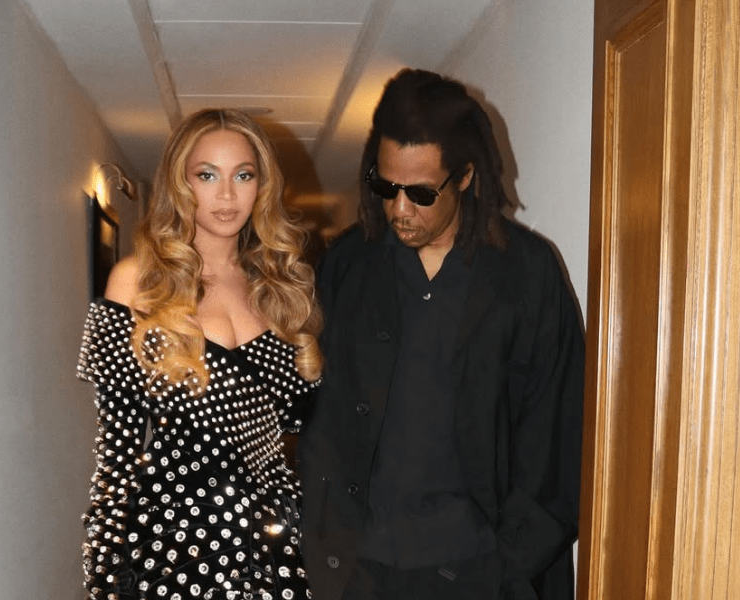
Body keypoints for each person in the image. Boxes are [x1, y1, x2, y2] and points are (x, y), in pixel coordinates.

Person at [298, 69, 585, 600]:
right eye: (385, 187)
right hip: (359, 567)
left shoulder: (526, 272)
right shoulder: (347, 264)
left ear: (467, 177)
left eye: (421, 193)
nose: (398, 209)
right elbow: (317, 410)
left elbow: (556, 429)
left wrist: (511, 563)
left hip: (478, 568)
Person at [76, 108, 323, 600]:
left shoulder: (281, 290)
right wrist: (104, 582)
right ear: (180, 183)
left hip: (273, 545)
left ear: (262, 185)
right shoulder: (138, 281)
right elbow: (116, 456)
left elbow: (309, 432)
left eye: (243, 175)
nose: (227, 195)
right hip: (173, 548)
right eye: (207, 175)